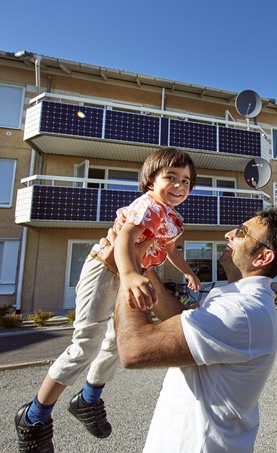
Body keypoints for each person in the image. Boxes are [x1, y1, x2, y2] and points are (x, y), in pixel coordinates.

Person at [15, 147, 199, 452]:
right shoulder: (149, 206)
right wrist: (128, 274)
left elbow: (168, 250)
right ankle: (34, 417)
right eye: (171, 178)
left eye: (186, 181)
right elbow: (126, 236)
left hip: (132, 273)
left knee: (115, 342)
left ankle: (88, 399)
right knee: (86, 343)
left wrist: (188, 271)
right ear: (151, 181)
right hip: (106, 269)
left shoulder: (173, 219)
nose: (180, 186)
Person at [114, 207, 277, 452]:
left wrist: (126, 267)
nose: (228, 234)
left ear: (263, 258)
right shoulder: (235, 300)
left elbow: (133, 349)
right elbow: (180, 322)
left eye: (241, 232)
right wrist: (143, 266)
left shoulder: (240, 310)